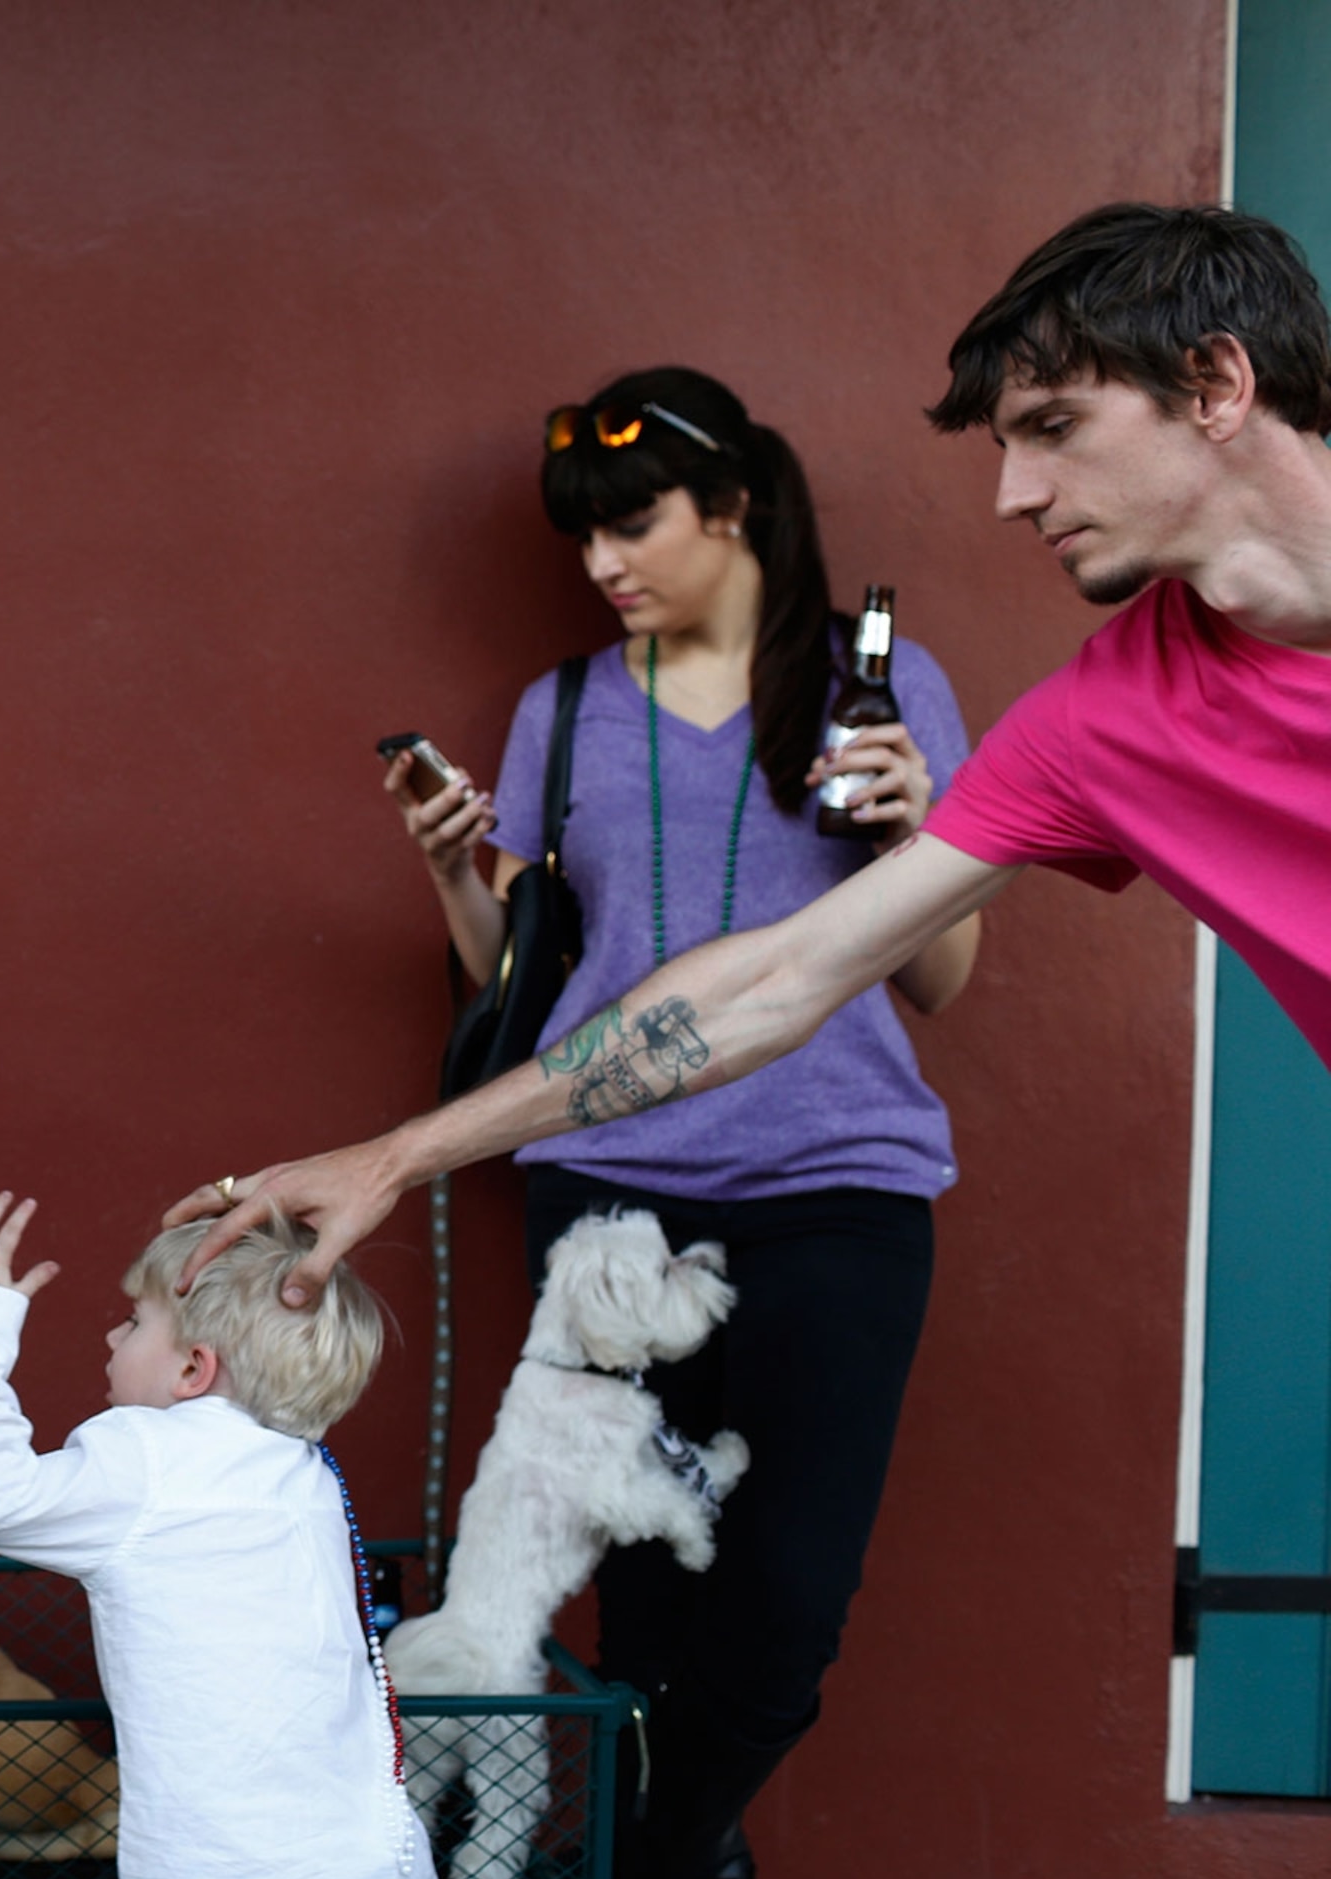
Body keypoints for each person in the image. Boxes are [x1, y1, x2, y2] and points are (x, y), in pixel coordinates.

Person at [180, 201, 1331, 1293]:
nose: (1011, 494)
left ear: (1216, 385)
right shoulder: (1101, 723)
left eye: (1055, 428)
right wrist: (393, 1157)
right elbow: (777, 979)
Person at [370, 366, 976, 1879]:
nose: (599, 563)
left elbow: (945, 973)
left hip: (841, 1192)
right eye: (578, 537)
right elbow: (523, 984)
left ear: (734, 507)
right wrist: (444, 866)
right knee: (635, 1622)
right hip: (609, 1206)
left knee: (778, 1624)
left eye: (629, 523)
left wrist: (921, 820)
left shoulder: (886, 686)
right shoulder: (558, 710)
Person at [0, 1193, 436, 1879]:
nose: (113, 1340)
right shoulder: (307, 1473)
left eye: (132, 1323)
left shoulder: (154, 1457)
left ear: (194, 1371)